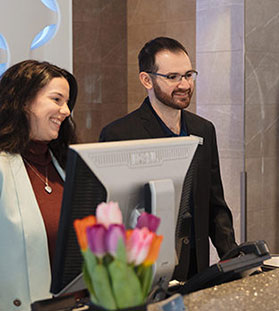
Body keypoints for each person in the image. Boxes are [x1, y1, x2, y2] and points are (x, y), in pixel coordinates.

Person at [99, 37, 237, 281]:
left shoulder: (204, 129)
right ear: (146, 80)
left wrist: (235, 259)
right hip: (143, 272)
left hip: (196, 266)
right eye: (172, 77)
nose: (184, 84)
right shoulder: (119, 135)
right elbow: (112, 218)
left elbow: (215, 203)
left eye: (188, 75)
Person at [0, 60, 78, 310]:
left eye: (66, 102)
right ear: (23, 101)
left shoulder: (65, 165)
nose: (65, 111)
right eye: (56, 99)